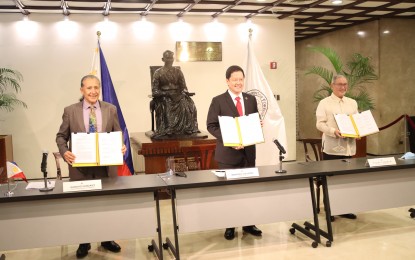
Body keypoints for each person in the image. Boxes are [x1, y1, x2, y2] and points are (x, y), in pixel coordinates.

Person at [56, 75, 126, 258]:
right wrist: (64, 152)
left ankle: (106, 239)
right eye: (89, 88)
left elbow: (117, 132)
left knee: (106, 204)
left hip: (106, 166)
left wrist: (121, 145)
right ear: (82, 90)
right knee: (83, 205)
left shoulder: (110, 109)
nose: (93, 91)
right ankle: (84, 241)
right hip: (80, 168)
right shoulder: (70, 111)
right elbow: (61, 137)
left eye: (96, 87)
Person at [206, 65, 262, 240]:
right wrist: (231, 141)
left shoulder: (250, 99)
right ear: (227, 81)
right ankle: (229, 225)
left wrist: (257, 125)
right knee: (229, 191)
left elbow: (254, 121)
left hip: (248, 153)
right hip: (228, 155)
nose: (238, 82)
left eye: (241, 79)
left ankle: (248, 223)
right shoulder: (218, 100)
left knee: (247, 190)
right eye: (235, 79)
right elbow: (211, 125)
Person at [316, 74, 358, 221]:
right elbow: (320, 124)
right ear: (332, 85)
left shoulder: (352, 103)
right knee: (331, 180)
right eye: (340, 84)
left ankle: (344, 208)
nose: (343, 87)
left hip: (348, 147)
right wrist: (334, 131)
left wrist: (358, 132)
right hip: (332, 148)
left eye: (345, 84)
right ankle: (330, 209)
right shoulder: (324, 103)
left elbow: (356, 122)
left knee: (346, 180)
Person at [151, 50, 199, 138]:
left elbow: (183, 86)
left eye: (171, 58)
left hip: (178, 95)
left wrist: (185, 92)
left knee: (188, 102)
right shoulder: (158, 73)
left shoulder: (178, 72)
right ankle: (169, 128)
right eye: (168, 58)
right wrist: (166, 93)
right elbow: (155, 91)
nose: (170, 60)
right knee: (167, 102)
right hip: (164, 96)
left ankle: (188, 127)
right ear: (163, 59)